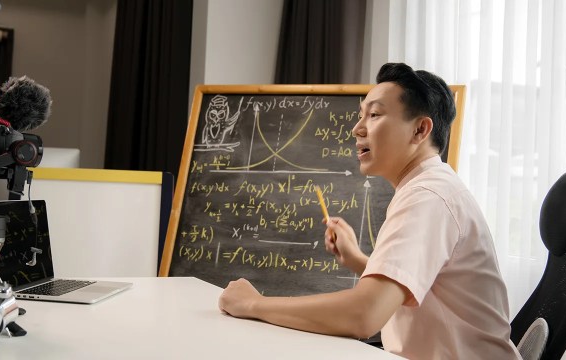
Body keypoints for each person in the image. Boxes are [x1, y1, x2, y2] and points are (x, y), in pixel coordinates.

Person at [218, 63, 520, 359]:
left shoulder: (427, 196)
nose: (357, 128)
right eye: (361, 115)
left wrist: (253, 305)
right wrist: (360, 262)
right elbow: (419, 288)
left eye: (374, 115)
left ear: (420, 130)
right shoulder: (432, 186)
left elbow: (363, 315)